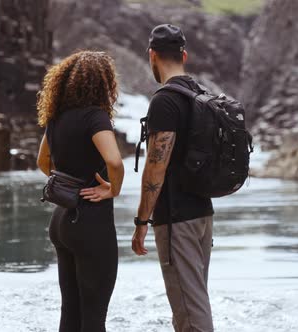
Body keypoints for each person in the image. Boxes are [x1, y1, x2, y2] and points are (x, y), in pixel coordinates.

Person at [132, 24, 215, 332]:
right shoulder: (199, 93)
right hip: (202, 214)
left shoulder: (165, 101)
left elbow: (156, 168)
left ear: (152, 55)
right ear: (184, 55)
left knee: (191, 313)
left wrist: (142, 222)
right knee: (192, 301)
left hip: (176, 218)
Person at [36, 50, 124, 332]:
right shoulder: (95, 117)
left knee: (70, 312)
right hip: (90, 223)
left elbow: (42, 162)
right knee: (94, 316)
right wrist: (112, 190)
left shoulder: (57, 117)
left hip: (61, 220)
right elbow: (114, 161)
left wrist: (67, 182)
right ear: (104, 84)